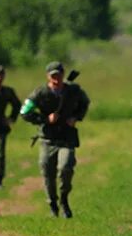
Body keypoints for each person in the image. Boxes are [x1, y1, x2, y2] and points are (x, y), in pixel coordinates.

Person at [20, 62, 90, 218]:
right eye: (53, 76)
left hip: (67, 138)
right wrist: (45, 119)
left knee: (66, 168)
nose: (56, 79)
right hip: (48, 139)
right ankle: (52, 203)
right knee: (48, 173)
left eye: (59, 75)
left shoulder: (73, 90)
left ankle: (64, 200)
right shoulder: (40, 93)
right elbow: (25, 112)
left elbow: (85, 103)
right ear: (48, 76)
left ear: (63, 74)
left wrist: (76, 117)